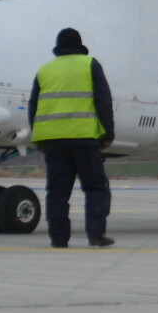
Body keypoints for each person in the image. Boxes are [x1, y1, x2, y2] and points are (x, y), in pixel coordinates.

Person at [28, 27, 115, 248]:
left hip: (53, 141)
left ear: (58, 48)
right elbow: (103, 101)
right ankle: (96, 235)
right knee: (96, 188)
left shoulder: (44, 70)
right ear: (80, 46)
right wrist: (107, 133)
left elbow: (33, 106)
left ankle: (58, 239)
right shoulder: (90, 65)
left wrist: (39, 136)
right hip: (85, 138)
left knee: (57, 191)